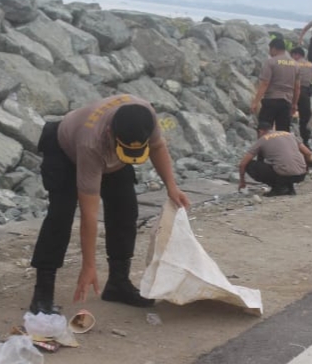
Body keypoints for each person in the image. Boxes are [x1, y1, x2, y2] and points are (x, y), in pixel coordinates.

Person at [28, 94, 191, 315]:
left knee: (125, 210)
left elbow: (157, 146)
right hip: (65, 150)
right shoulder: (91, 142)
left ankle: (118, 283)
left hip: (110, 153)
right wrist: (89, 266)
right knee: (60, 216)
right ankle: (42, 295)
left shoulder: (145, 117)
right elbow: (89, 215)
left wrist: (171, 186)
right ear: (110, 134)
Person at [238, 121, 311, 197]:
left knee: (250, 165)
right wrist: (306, 168)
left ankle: (278, 189)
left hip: (283, 175)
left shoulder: (263, 139)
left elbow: (243, 164)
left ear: (260, 131)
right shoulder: (289, 134)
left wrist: (242, 182)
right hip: (300, 175)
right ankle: (289, 188)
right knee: (281, 164)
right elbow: (308, 153)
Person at [251, 38, 300, 132]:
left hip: (271, 100)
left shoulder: (271, 62)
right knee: (283, 132)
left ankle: (265, 142)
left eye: (270, 50)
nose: (269, 53)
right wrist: (294, 104)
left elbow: (265, 83)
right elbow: (297, 88)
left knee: (264, 129)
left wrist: (255, 102)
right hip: (286, 102)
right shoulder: (296, 65)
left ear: (273, 48)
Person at [290, 47, 312, 147]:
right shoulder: (311, 66)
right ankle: (305, 142)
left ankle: (285, 139)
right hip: (305, 93)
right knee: (305, 118)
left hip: (291, 91)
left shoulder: (292, 64)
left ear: (296, 55)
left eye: (292, 55)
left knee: (287, 115)